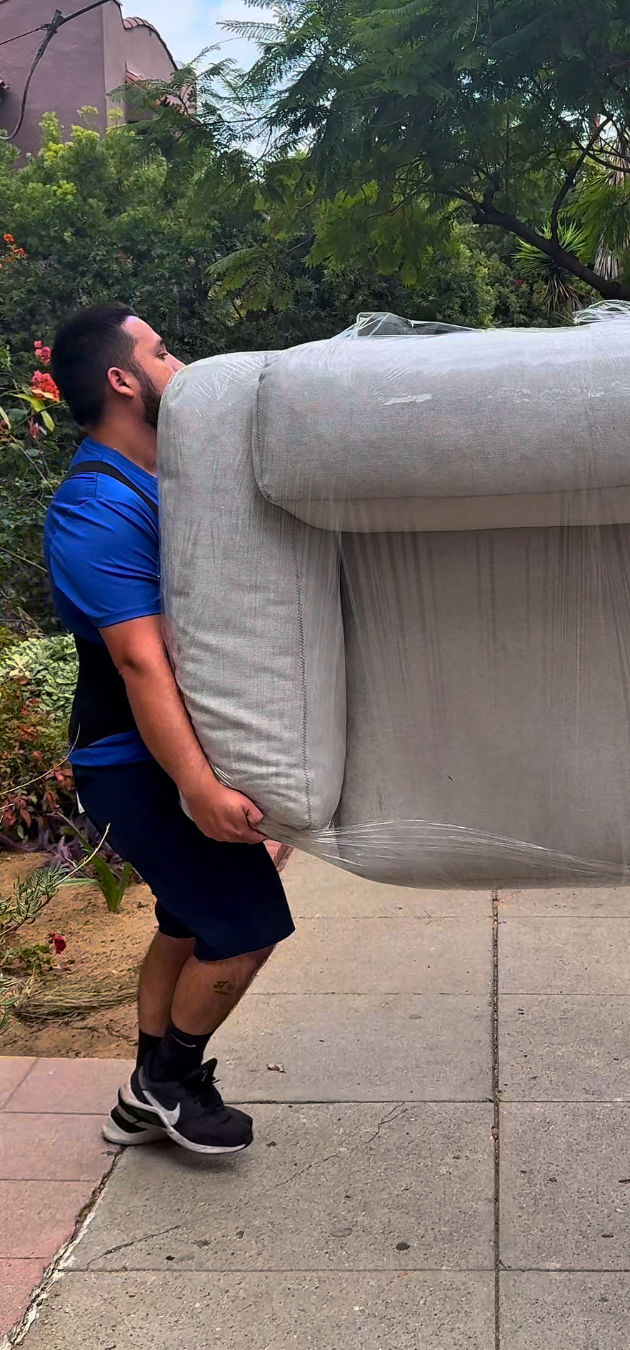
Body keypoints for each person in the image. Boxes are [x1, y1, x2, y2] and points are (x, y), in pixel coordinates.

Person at [46, 305, 295, 1155]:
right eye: (162, 351)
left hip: (168, 755)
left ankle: (139, 1100)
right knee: (245, 931)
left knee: (186, 922)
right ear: (123, 380)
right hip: (134, 765)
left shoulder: (164, 481)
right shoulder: (95, 508)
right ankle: (171, 1082)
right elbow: (142, 664)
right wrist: (199, 787)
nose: (180, 365)